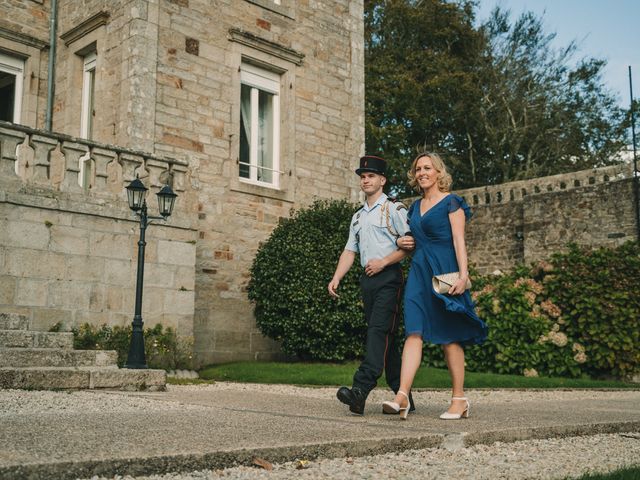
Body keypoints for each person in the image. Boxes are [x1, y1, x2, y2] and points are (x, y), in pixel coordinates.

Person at [383, 152, 487, 420]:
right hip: (419, 272)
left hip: (446, 271)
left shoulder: (451, 202)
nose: (422, 172)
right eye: (418, 169)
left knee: (449, 334)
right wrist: (400, 243)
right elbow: (413, 240)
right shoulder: (415, 207)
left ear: (439, 172)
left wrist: (463, 276)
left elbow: (458, 240)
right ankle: (402, 396)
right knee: (413, 332)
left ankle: (459, 398)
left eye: (427, 168)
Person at [328, 155, 414, 416]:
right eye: (363, 177)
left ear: (382, 180)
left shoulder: (395, 209)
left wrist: (384, 262)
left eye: (371, 176)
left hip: (389, 278)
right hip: (368, 281)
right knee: (384, 336)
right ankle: (403, 393)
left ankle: (360, 390)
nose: (366, 180)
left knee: (378, 332)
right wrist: (336, 277)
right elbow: (349, 251)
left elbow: (410, 244)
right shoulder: (357, 217)